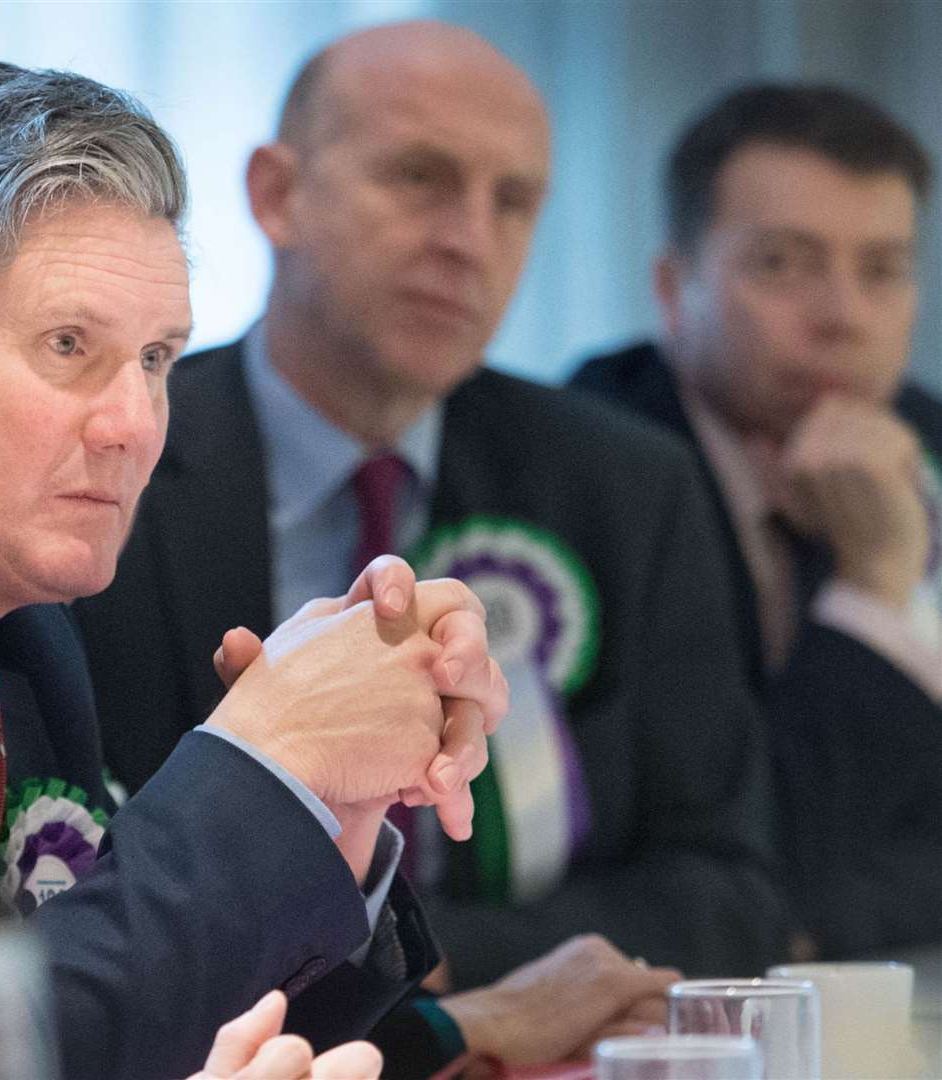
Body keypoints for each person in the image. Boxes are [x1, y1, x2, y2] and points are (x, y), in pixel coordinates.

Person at [0, 58, 508, 1080]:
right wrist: (267, 762)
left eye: (158, 359)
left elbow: (134, 1006)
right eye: (69, 344)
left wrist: (332, 809)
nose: (134, 427)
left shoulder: (20, 633)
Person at [72, 20, 786, 1072]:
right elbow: (79, 890)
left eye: (515, 202)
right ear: (277, 195)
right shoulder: (106, 461)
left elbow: (733, 889)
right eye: (421, 178)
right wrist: (461, 985)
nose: (470, 238)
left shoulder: (628, 485)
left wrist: (428, 961)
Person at [572, 82, 942, 957]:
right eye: (783, 264)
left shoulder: (926, 445)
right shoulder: (589, 466)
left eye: (882, 270)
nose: (843, 317)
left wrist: (820, 926)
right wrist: (875, 581)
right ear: (674, 288)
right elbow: (745, 852)